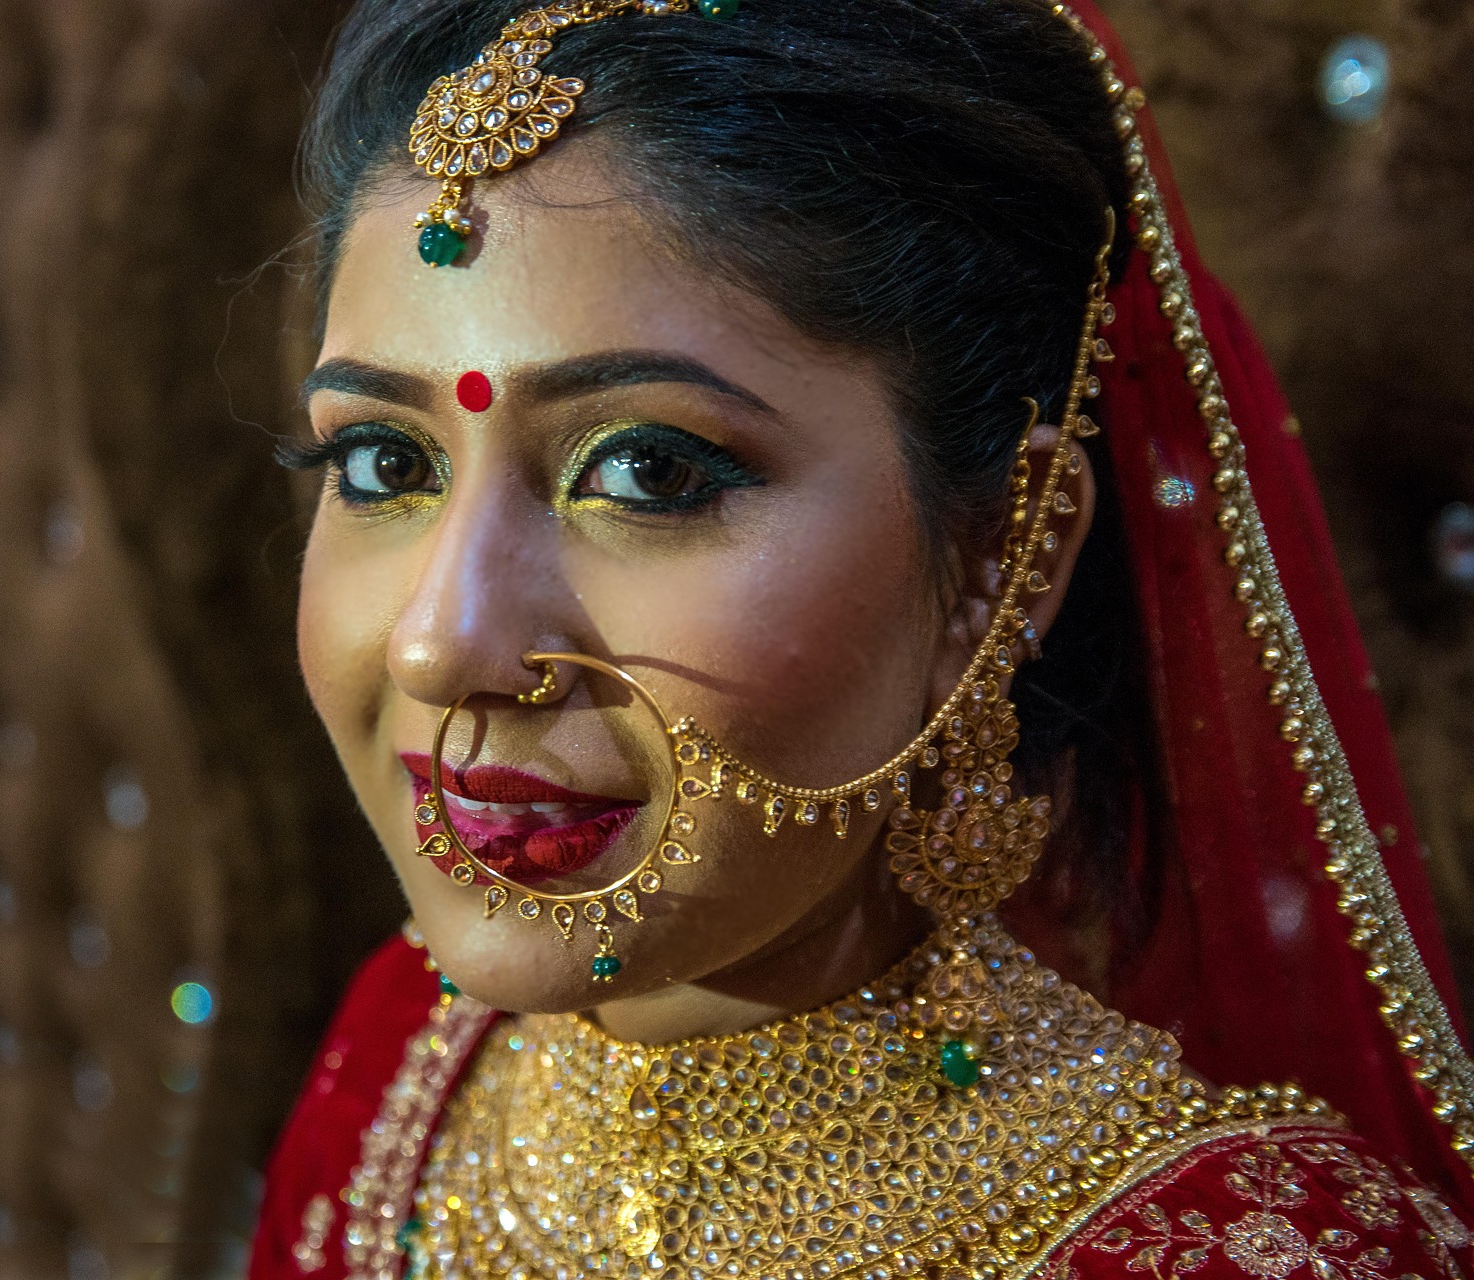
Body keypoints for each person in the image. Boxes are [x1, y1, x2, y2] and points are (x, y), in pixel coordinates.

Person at [248, 1, 1474, 1276]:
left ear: (1003, 555)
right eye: (383, 460)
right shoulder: (409, 1070)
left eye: (652, 472)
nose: (440, 647)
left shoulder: (1247, 1253)